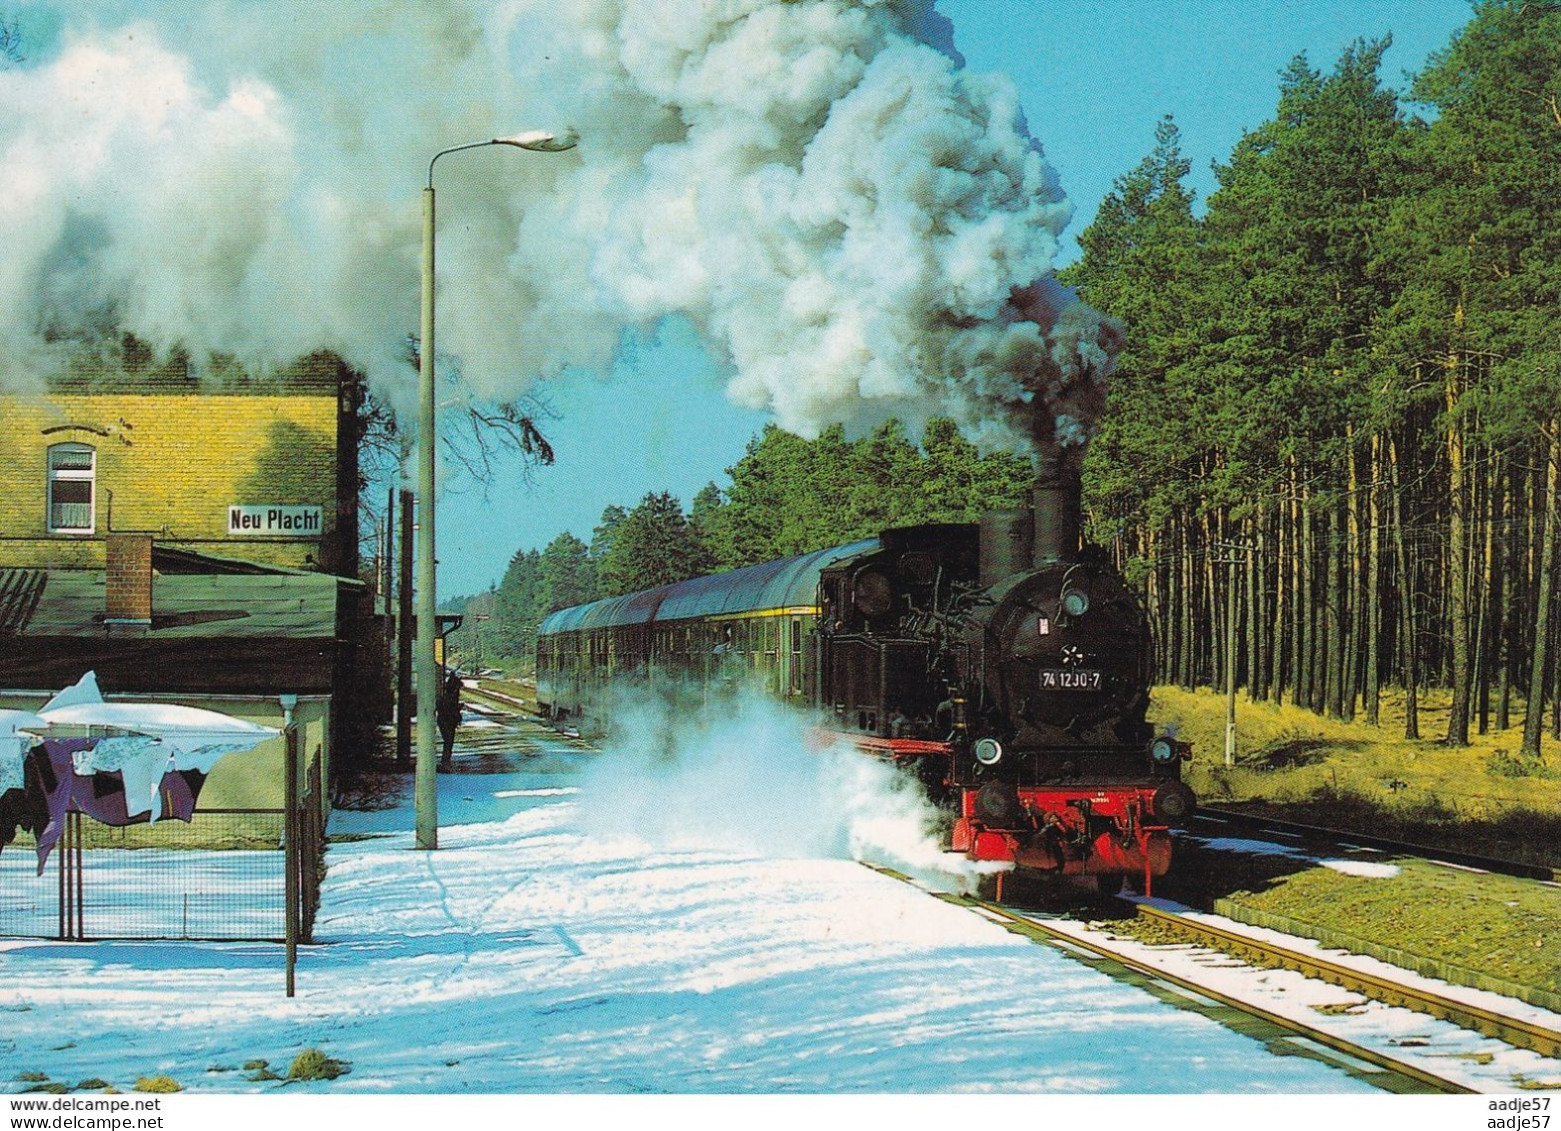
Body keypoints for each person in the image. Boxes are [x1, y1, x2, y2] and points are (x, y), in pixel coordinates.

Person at [437, 671, 462, 771]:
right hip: (447, 721)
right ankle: (445, 760)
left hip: (446, 720)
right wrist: (457, 712)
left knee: (448, 741)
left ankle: (446, 759)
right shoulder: (450, 698)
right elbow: (451, 710)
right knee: (448, 741)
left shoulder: (445, 697)